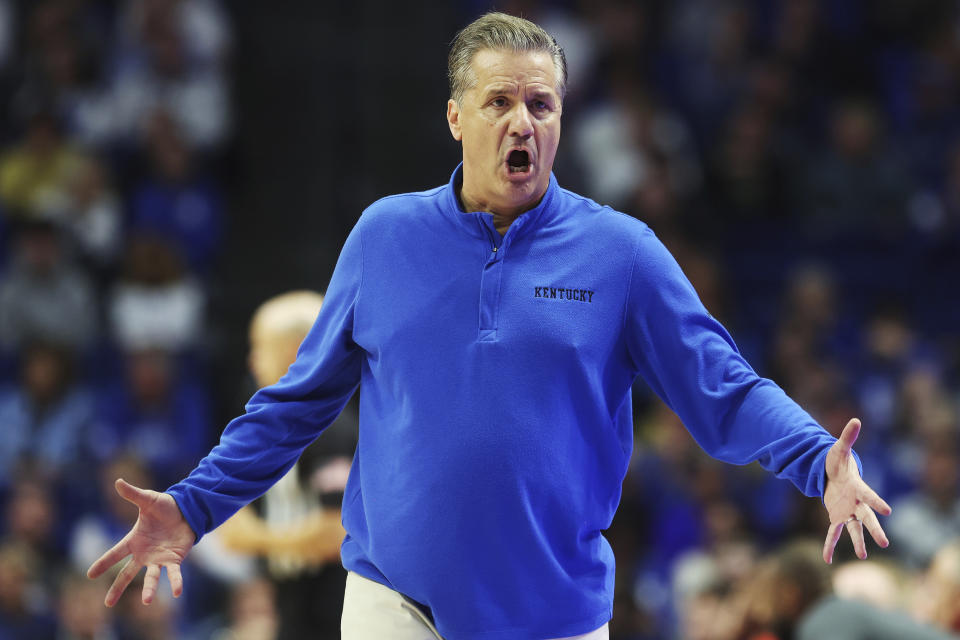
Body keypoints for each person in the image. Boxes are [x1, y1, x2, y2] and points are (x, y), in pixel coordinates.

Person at [87, 13, 892, 640]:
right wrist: (192, 508)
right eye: (499, 102)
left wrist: (821, 462)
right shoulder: (383, 237)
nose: (522, 123)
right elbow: (295, 403)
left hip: (556, 615)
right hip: (390, 604)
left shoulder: (621, 254)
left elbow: (725, 389)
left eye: (541, 105)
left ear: (561, 120)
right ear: (454, 117)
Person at [215, 290, 356, 639]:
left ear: (295, 350)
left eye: (259, 346)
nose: (252, 361)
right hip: (293, 613)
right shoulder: (273, 430)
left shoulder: (331, 428)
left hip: (337, 617)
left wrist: (260, 539)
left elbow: (338, 535)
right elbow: (231, 529)